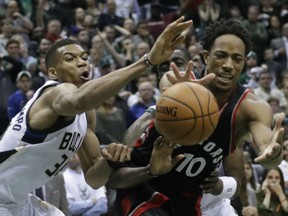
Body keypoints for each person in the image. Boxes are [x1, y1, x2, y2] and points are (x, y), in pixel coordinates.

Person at [0, 16, 193, 216]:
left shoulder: (86, 114)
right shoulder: (54, 93)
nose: (81, 62)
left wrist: (108, 160)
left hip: (20, 199)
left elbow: (94, 179)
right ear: (53, 73)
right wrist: (147, 61)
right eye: (70, 59)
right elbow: (78, 100)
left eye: (84, 57)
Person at [107, 18, 285, 216]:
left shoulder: (250, 108)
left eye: (237, 58)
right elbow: (166, 82)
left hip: (190, 199)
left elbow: (265, 151)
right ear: (206, 57)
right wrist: (178, 92)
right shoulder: (183, 82)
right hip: (146, 187)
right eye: (221, 56)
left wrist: (273, 156)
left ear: (244, 62)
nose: (228, 65)